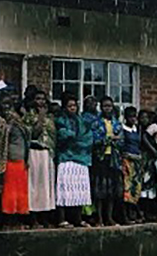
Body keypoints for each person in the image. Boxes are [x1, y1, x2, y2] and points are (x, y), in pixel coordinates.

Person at [54, 92, 94, 228]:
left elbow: (88, 137)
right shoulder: (60, 119)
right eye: (70, 105)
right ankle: (61, 219)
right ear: (64, 107)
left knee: (79, 189)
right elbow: (62, 135)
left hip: (81, 158)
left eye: (74, 105)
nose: (73, 108)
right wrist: (74, 138)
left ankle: (77, 218)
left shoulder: (81, 120)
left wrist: (74, 138)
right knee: (64, 189)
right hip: (65, 158)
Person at [23, 88, 57, 228]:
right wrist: (40, 118)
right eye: (38, 99)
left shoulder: (50, 117)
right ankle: (33, 218)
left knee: (45, 187)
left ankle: (45, 217)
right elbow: (33, 134)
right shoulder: (29, 116)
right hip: (34, 152)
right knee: (34, 186)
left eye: (43, 99)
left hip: (46, 153)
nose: (41, 102)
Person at [91, 96, 124, 226]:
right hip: (101, 158)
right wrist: (108, 140)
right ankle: (99, 218)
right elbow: (94, 140)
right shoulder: (96, 123)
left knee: (112, 190)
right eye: (105, 106)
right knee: (100, 189)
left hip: (113, 159)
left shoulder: (116, 123)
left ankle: (109, 217)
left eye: (109, 106)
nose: (107, 108)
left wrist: (115, 140)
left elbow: (121, 140)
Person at [0, 92, 30, 225]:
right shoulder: (1, 121)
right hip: (8, 160)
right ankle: (8, 219)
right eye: (4, 104)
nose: (7, 108)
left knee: (20, 191)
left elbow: (27, 138)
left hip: (20, 160)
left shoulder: (19, 121)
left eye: (10, 105)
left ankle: (18, 217)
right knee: (9, 191)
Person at [120, 106, 143, 223]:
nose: (133, 119)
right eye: (130, 116)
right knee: (126, 188)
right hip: (127, 161)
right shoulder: (122, 129)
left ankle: (134, 213)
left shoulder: (137, 129)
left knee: (136, 188)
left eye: (134, 116)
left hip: (137, 162)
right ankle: (125, 216)